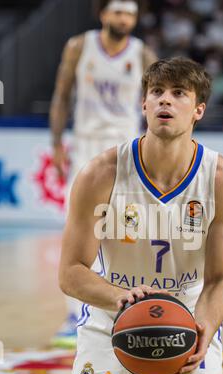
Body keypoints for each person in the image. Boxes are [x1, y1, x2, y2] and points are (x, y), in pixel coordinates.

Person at [59, 57, 223, 374]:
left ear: (198, 110)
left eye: (179, 93)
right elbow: (71, 272)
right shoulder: (101, 173)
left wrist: (205, 329)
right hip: (113, 308)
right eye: (157, 93)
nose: (166, 100)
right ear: (143, 105)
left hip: (190, 311)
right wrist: (119, 297)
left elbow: (219, 281)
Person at [49, 0, 157, 347]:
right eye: (118, 12)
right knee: (78, 231)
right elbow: (62, 96)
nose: (124, 19)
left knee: (125, 234)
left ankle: (125, 308)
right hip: (84, 147)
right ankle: (74, 314)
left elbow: (157, 104)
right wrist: (55, 144)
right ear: (103, 14)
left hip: (126, 151)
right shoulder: (79, 46)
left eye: (130, 14)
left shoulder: (143, 54)